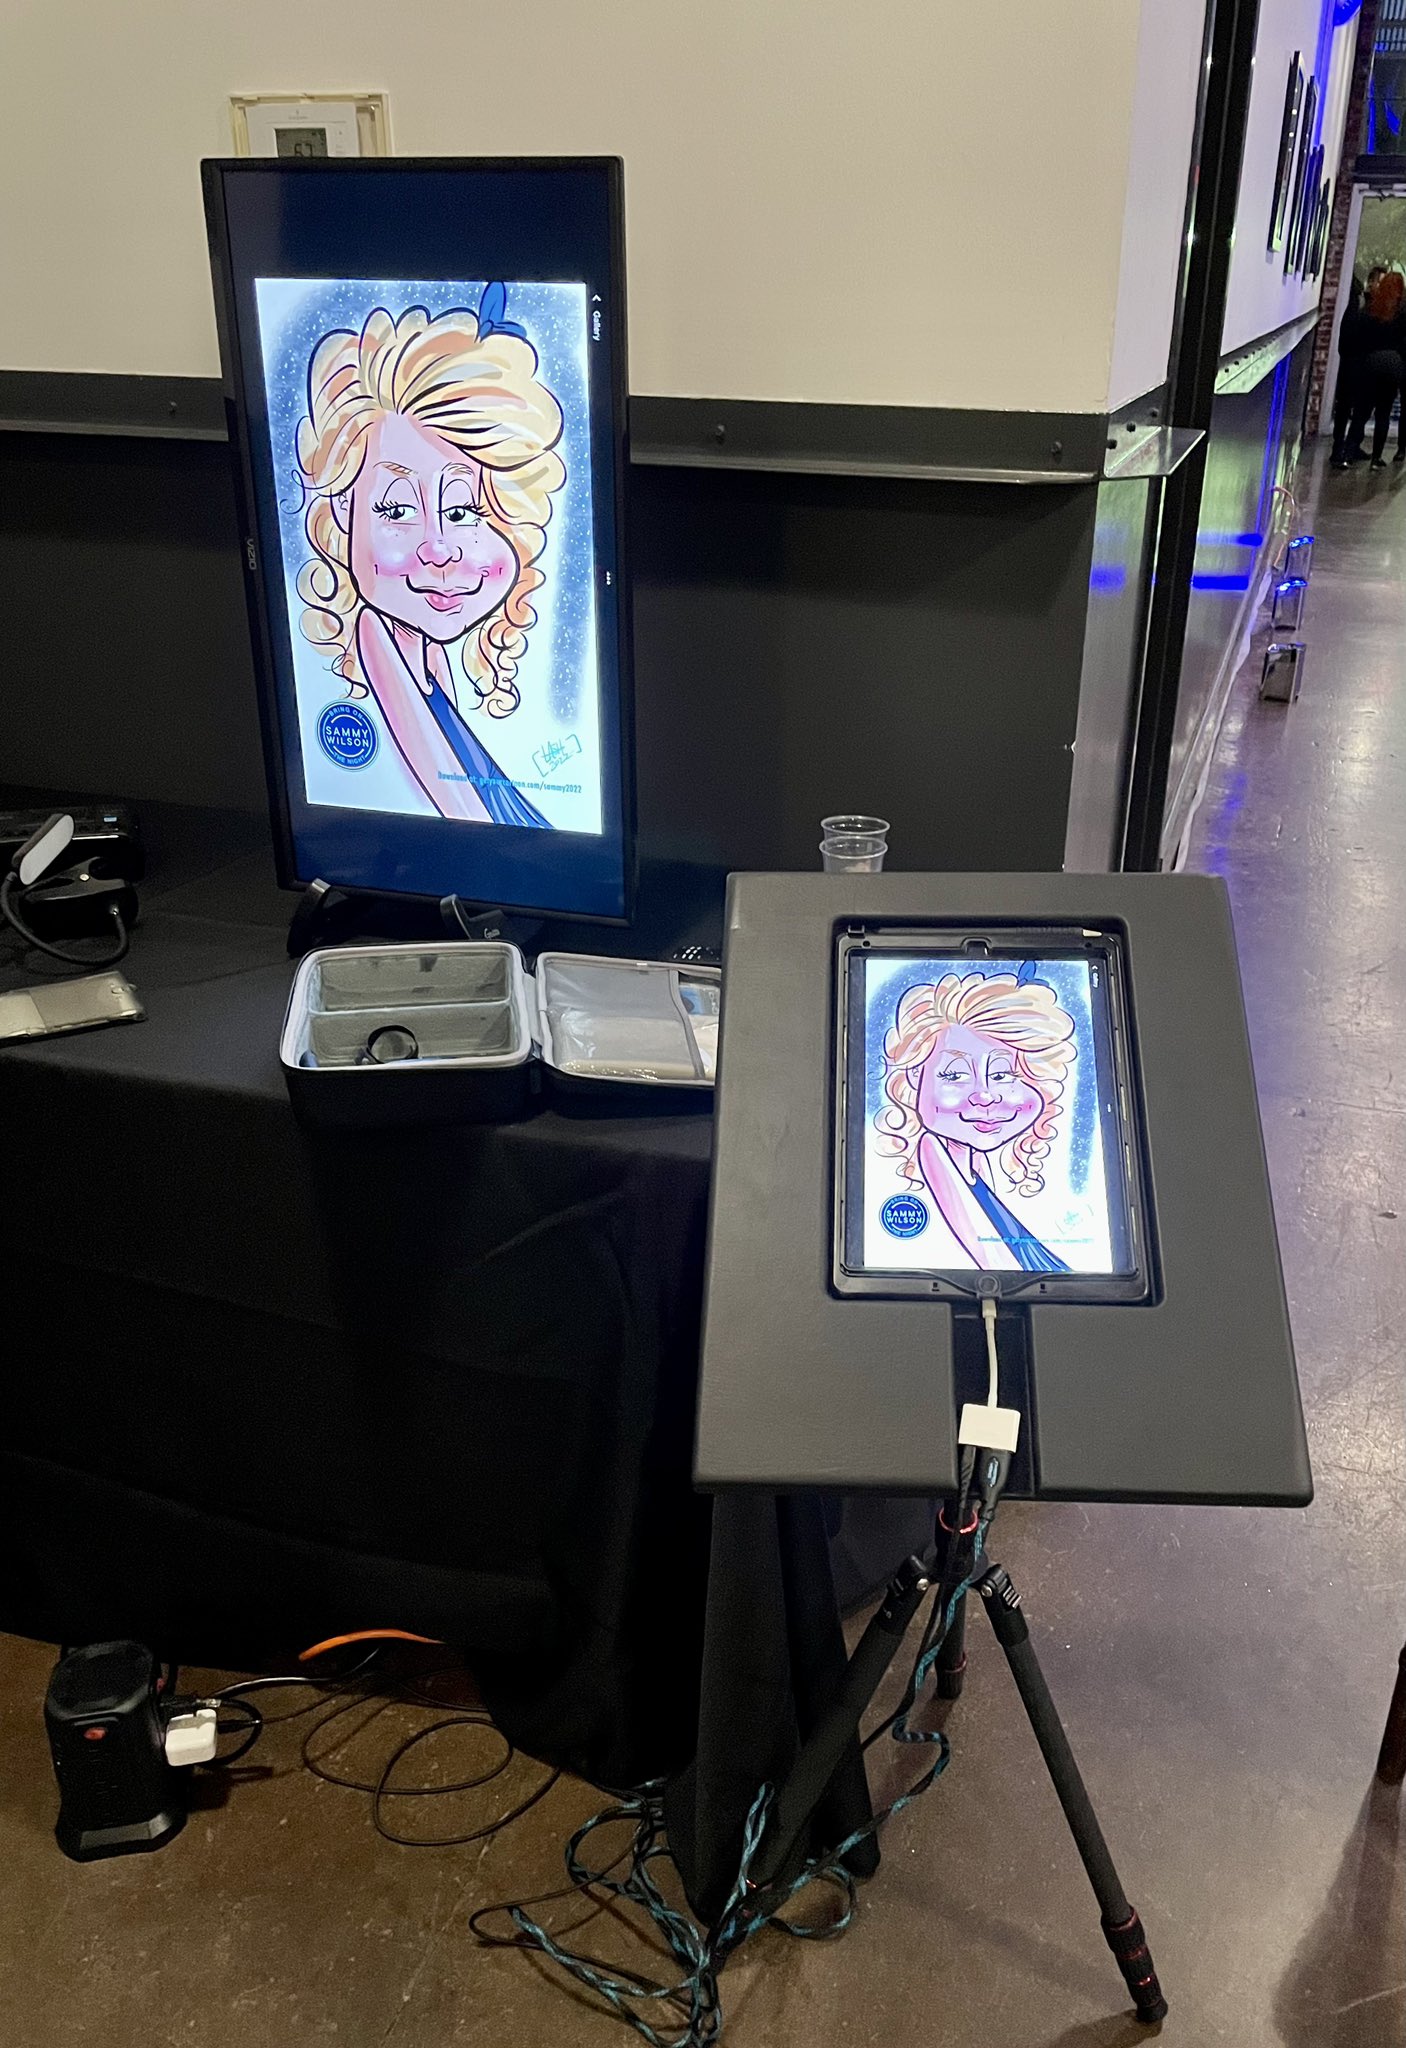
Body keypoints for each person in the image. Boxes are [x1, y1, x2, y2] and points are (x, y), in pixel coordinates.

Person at [294, 287, 566, 823]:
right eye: (395, 509)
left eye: (464, 509)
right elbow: (462, 820)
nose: (438, 549)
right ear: (345, 507)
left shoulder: (426, 656)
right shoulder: (378, 640)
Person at [875, 969, 1076, 1272]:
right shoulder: (933, 1155)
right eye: (955, 1075)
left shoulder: (976, 1167)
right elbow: (998, 1267)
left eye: (1002, 1074)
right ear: (916, 1074)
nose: (985, 1095)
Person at [1343, 270, 1406, 471]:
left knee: (1361, 411)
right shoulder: (1402, 313)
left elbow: (1360, 337)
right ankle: (1376, 459)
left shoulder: (1372, 309)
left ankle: (1348, 453)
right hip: (1393, 364)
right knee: (1383, 413)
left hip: (1370, 363)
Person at [1330, 267, 1385, 467]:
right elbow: (1349, 335)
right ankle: (1340, 449)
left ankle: (1351, 446)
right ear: (1371, 283)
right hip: (1354, 363)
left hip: (1359, 363)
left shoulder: (1369, 306)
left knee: (1360, 409)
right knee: (1347, 407)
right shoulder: (1360, 305)